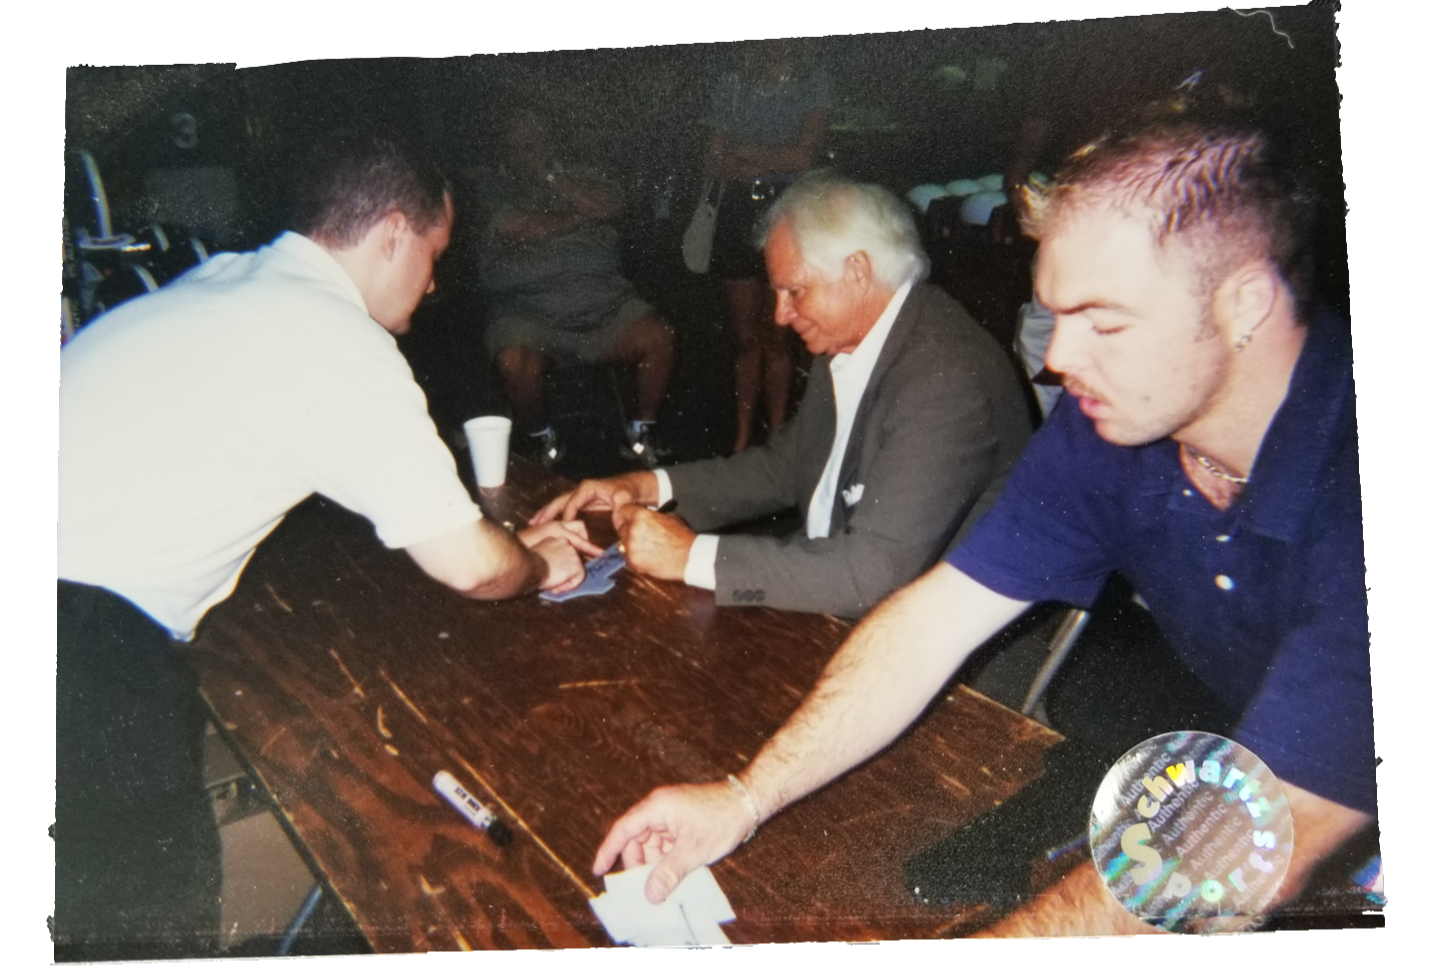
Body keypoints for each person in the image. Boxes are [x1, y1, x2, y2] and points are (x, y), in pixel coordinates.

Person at [591, 123, 1375, 934]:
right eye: (1055, 314)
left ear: (1244, 303)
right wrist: (742, 797)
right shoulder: (1110, 430)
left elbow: (1262, 829)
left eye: (1103, 322)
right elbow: (930, 622)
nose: (1055, 357)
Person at [56, 130, 599, 959]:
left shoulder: (232, 277)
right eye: (433, 251)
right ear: (391, 234)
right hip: (86, 630)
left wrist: (499, 538)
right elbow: (472, 569)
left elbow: (429, 520)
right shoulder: (336, 338)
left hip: (83, 597)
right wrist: (539, 562)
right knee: (149, 921)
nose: (437, 277)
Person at [534, 175, 1031, 619]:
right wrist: (645, 485)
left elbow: (871, 578)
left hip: (911, 627)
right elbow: (785, 466)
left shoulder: (944, 381)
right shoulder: (857, 333)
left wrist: (692, 557)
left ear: (857, 270)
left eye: (794, 291)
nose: (780, 315)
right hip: (836, 580)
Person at [478, 110, 677, 467]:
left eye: (537, 141)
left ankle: (641, 433)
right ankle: (541, 439)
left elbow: (612, 204)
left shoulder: (585, 176)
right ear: (504, 151)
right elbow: (523, 227)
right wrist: (582, 216)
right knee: (513, 360)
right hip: (528, 314)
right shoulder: (491, 186)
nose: (531, 151)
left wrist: (550, 177)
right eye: (520, 146)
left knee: (660, 336)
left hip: (606, 307)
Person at [703, 38, 830, 453]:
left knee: (778, 335)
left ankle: (777, 438)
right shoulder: (732, 86)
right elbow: (713, 161)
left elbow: (804, 157)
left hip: (786, 213)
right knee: (745, 338)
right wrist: (773, 159)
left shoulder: (813, 83)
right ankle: (741, 440)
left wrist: (746, 154)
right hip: (737, 212)